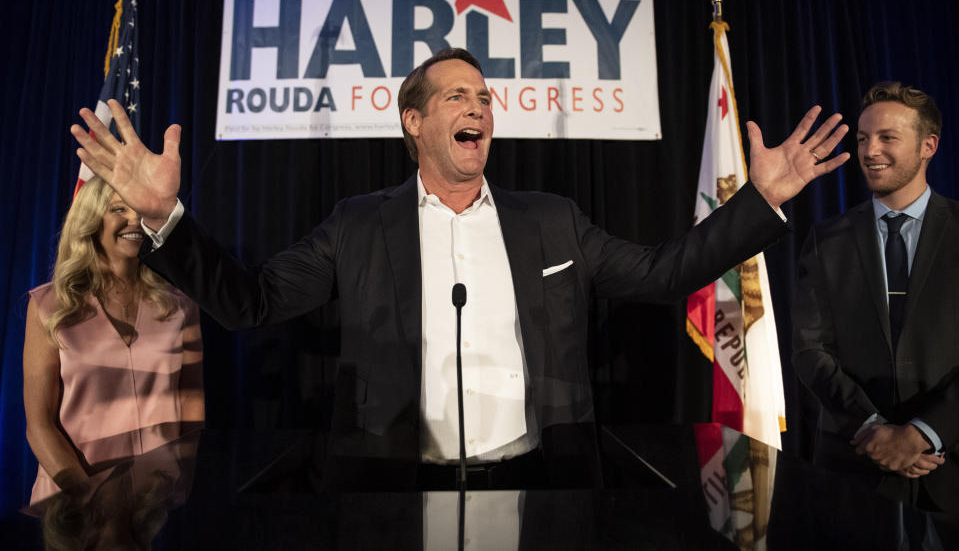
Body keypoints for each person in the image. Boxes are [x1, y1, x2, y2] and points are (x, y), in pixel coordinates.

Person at [71, 48, 848, 491]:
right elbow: (251, 301)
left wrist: (759, 201)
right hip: (393, 486)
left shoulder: (551, 219)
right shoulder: (357, 223)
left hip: (538, 479)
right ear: (413, 122)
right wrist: (167, 218)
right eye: (454, 95)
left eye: (483, 95)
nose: (477, 105)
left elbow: (657, 272)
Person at [792, 82, 958, 514]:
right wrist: (873, 430)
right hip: (854, 469)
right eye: (863, 138)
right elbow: (810, 351)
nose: (870, 151)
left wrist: (923, 433)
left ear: (929, 146)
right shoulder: (828, 240)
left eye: (888, 138)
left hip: (949, 464)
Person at [23, 176, 204, 505]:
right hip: (72, 506)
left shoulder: (181, 305)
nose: (135, 219)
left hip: (156, 503)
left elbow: (191, 402)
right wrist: (87, 500)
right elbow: (38, 424)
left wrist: (182, 484)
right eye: (119, 208)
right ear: (91, 221)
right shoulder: (49, 306)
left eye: (142, 210)